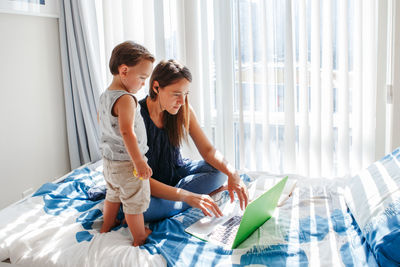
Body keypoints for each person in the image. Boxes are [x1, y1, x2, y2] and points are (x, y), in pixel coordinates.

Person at [139, 59, 249, 222]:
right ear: (156, 87)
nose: (182, 101)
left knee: (220, 170)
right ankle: (191, 198)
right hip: (149, 184)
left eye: (185, 94)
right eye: (176, 94)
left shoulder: (182, 109)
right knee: (142, 210)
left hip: (175, 171)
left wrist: (233, 174)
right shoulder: (136, 117)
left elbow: (208, 150)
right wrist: (188, 196)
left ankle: (181, 200)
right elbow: (139, 180)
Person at [98, 41, 154, 246]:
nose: (142, 84)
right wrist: (138, 161)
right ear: (124, 71)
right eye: (141, 78)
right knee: (133, 201)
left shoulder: (105, 96)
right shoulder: (126, 99)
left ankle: (106, 226)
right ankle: (139, 236)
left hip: (109, 161)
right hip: (127, 163)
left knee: (113, 194)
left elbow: (101, 123)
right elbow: (126, 132)